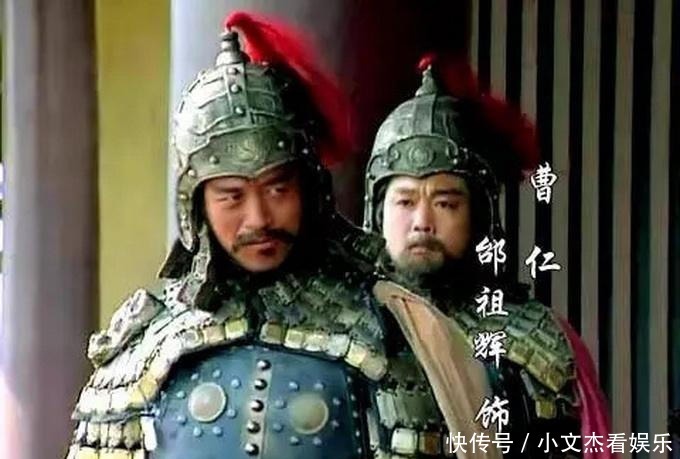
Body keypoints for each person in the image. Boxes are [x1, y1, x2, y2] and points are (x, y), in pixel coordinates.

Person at [364, 54, 614, 459]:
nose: (422, 222)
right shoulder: (345, 327)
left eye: (446, 204)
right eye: (405, 202)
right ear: (377, 213)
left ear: (480, 217)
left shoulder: (544, 338)